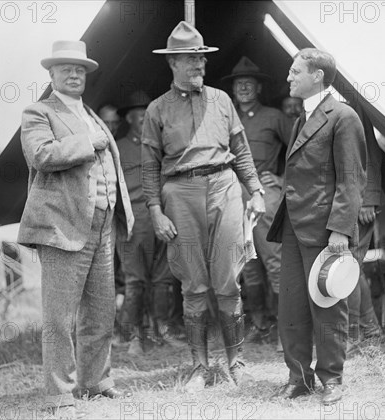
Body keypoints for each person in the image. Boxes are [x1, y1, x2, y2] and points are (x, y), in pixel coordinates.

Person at [141, 21, 265, 392]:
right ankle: (199, 367)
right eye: (190, 60)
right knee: (194, 284)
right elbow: (149, 166)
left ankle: (235, 362)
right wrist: (155, 210)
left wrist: (255, 189)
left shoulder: (222, 100)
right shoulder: (156, 110)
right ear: (173, 64)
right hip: (179, 194)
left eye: (202, 59)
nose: (199, 66)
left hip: (224, 188)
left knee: (228, 279)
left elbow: (240, 150)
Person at [17, 40, 134, 413]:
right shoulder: (38, 112)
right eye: (65, 68)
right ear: (50, 75)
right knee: (59, 317)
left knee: (101, 311)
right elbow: (41, 155)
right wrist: (88, 142)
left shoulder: (92, 114)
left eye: (80, 69)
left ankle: (96, 382)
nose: (73, 74)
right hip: (62, 226)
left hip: (101, 224)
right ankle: (58, 394)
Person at [267, 48, 366, 404]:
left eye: (295, 72)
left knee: (327, 304)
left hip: (325, 228)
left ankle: (331, 379)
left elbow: (352, 178)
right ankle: (299, 377)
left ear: (318, 76)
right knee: (291, 305)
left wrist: (341, 228)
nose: (289, 78)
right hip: (294, 226)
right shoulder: (301, 118)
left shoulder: (343, 116)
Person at [221, 57, 291, 347]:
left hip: (265, 195)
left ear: (259, 87)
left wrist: (283, 179)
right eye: (239, 84)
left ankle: (283, 327)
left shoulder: (275, 116)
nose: (244, 88)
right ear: (233, 89)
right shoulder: (225, 116)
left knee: (275, 262)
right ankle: (259, 323)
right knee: (245, 265)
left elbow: (301, 147)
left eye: (249, 83)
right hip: (232, 195)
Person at [115, 90, 184, 355]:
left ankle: (162, 331)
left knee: (163, 279)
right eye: (141, 115)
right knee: (135, 280)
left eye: (149, 115)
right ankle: (133, 337)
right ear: (130, 119)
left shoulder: (163, 145)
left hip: (164, 217)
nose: (146, 120)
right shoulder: (118, 147)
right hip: (135, 220)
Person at [346, 100, 384, 353]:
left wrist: (368, 198)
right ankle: (369, 328)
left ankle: (356, 333)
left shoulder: (352, 103)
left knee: (347, 269)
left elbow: (370, 151)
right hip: (340, 202)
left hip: (358, 203)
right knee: (350, 268)